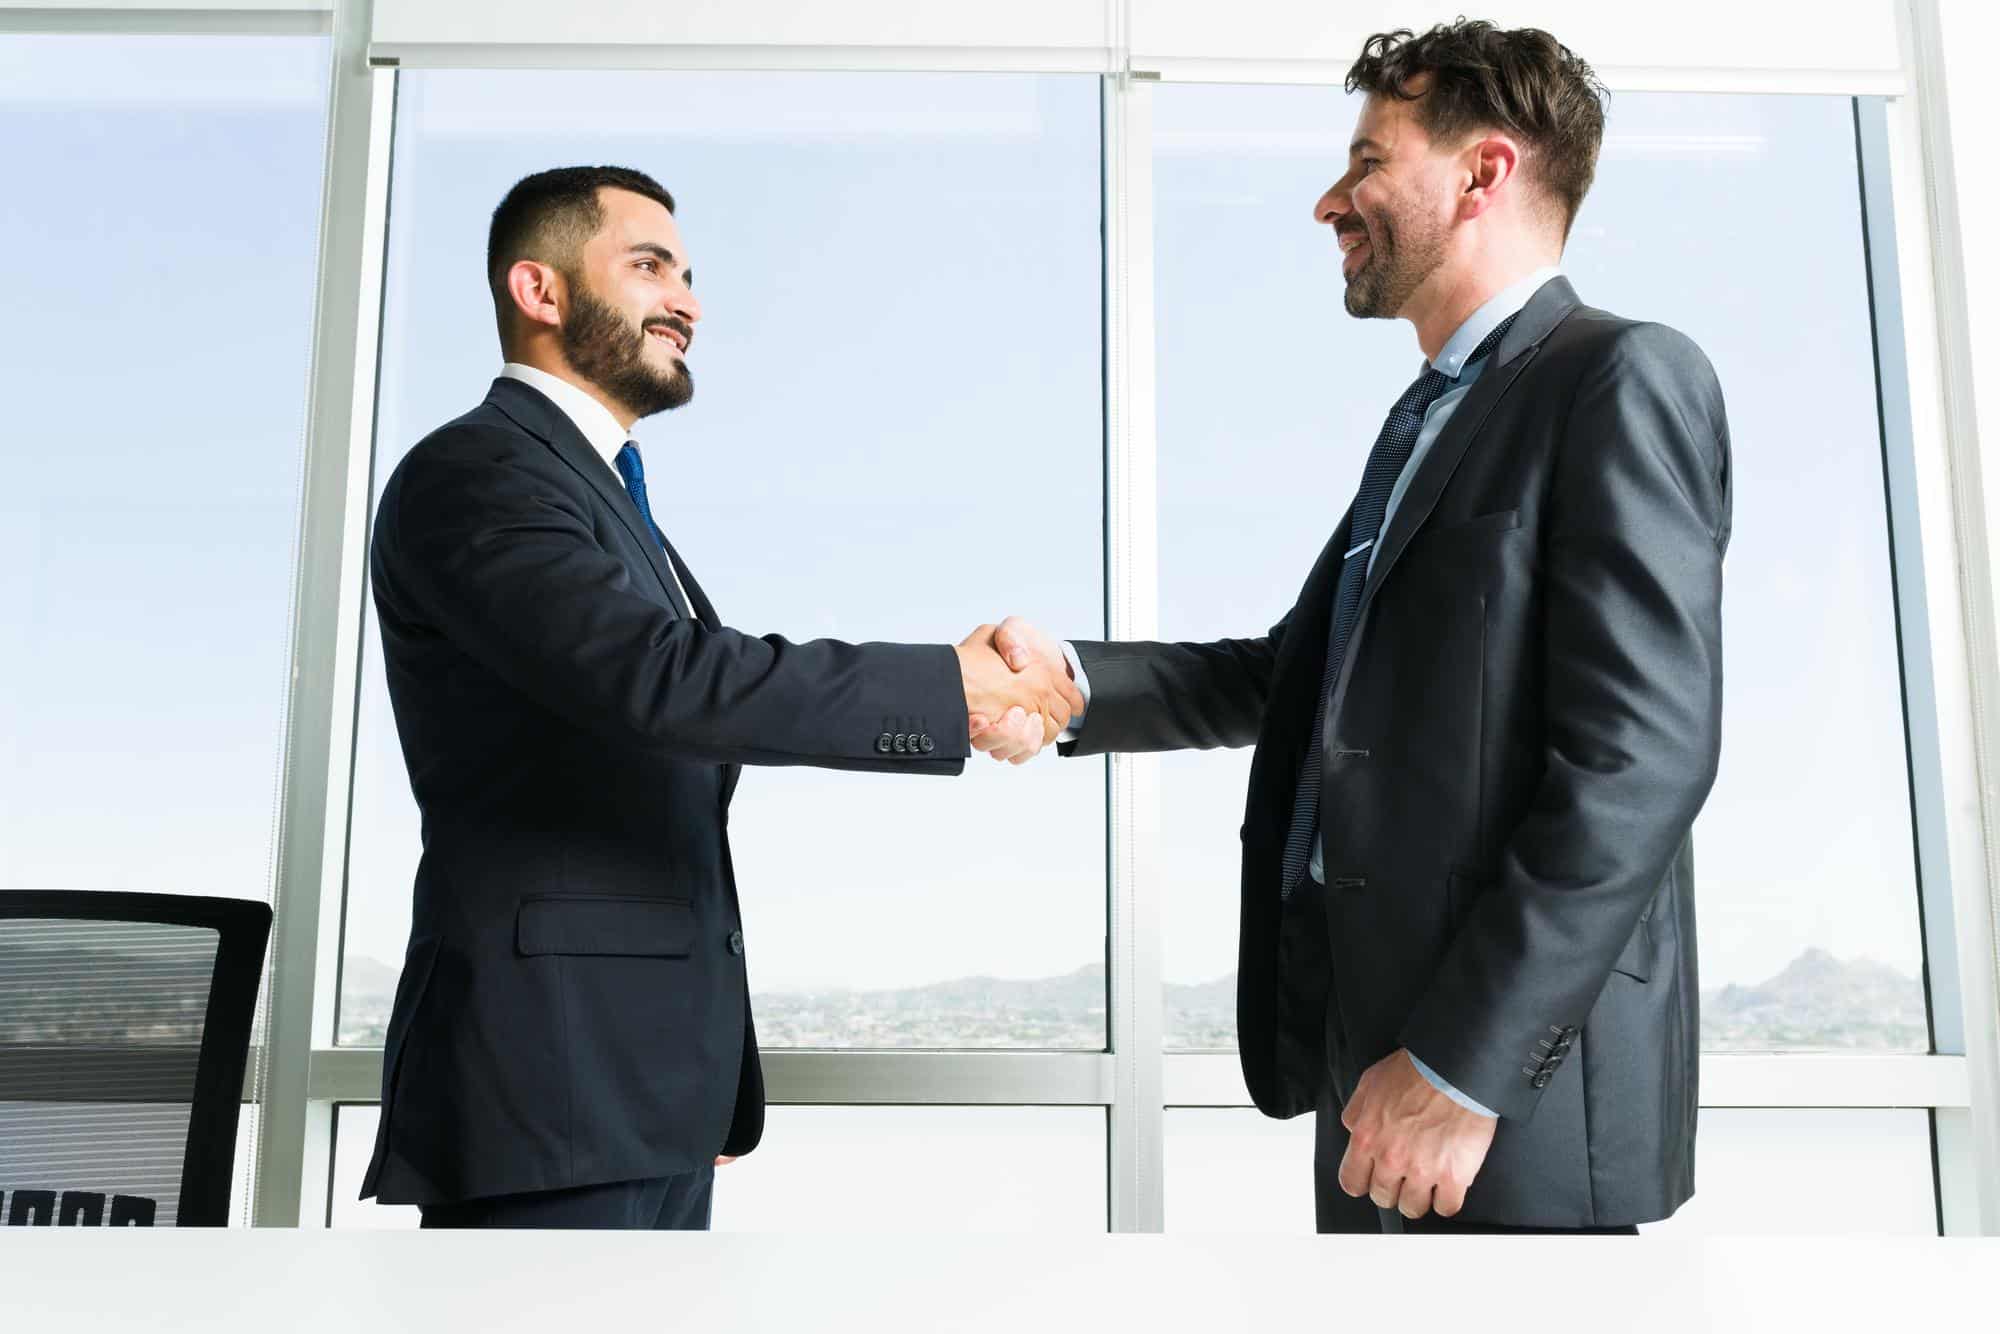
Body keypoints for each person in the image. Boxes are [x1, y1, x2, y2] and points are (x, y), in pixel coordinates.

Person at [983, 21, 1730, 1234]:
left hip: (1493, 1095)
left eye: (1366, 161)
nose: (1331, 200)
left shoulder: (1617, 376)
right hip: (1371, 1062)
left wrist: (1457, 1065)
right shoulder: (1431, 418)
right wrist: (1064, 678)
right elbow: (1298, 673)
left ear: (1482, 172)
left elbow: (1638, 761)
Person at [357, 165, 1071, 1229]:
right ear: (538, 291)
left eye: (688, 273)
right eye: (648, 266)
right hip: (550, 1092)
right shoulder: (479, 472)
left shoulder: (599, 495)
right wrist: (945, 684)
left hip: (628, 1089)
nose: (687, 300)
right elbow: (664, 679)